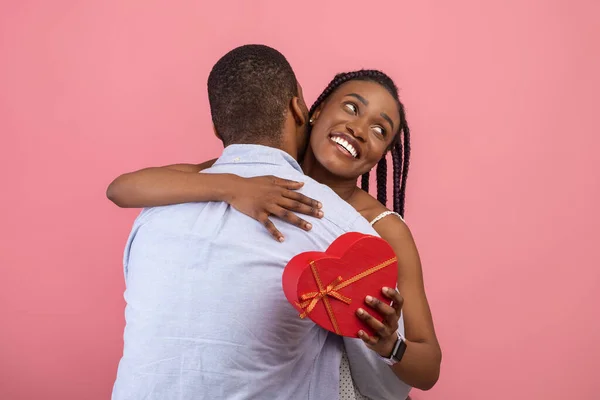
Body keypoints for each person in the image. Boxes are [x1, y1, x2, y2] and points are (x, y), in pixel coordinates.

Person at [110, 44, 420, 400]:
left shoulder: (369, 228)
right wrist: (233, 188)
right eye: (351, 107)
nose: (360, 130)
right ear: (306, 109)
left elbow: (400, 375)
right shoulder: (231, 183)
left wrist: (390, 346)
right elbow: (120, 187)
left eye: (381, 130)